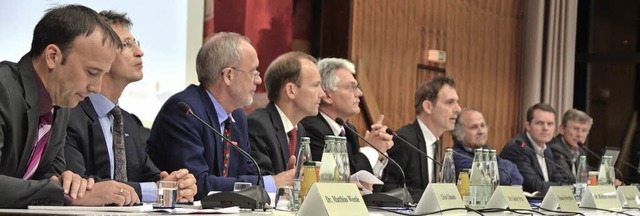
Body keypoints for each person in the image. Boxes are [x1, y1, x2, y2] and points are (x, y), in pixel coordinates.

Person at [0, 4, 139, 208]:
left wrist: (71, 184)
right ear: (53, 57)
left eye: (102, 74)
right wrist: (62, 194)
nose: (96, 87)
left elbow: (48, 178)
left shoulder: (60, 105)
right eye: (92, 73)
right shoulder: (3, 89)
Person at [64, 10, 197, 204]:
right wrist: (156, 190)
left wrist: (176, 185)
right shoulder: (69, 115)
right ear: (102, 53)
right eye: (127, 44)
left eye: (137, 43)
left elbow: (152, 177)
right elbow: (80, 185)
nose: (139, 52)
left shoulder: (128, 122)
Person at [146, 32, 294, 200]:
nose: (258, 81)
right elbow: (197, 185)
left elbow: (249, 173)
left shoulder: (237, 116)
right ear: (228, 75)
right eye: (253, 72)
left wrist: (279, 184)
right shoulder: (185, 111)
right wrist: (273, 184)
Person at [300, 58, 393, 179]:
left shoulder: (349, 130)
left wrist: (378, 154)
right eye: (351, 87)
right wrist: (371, 150)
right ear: (327, 94)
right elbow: (339, 181)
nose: (359, 93)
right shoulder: (311, 128)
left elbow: (368, 188)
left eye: (357, 87)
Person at [383, 76, 461, 202]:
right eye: (449, 102)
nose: (458, 109)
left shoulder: (434, 142)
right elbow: (386, 189)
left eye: (457, 102)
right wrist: (433, 195)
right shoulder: (404, 140)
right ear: (428, 107)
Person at [248, 52, 325, 175]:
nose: (322, 94)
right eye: (315, 85)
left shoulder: (299, 130)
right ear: (291, 90)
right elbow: (261, 184)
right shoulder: (258, 126)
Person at [500, 103, 568, 193]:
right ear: (528, 126)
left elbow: (558, 178)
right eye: (540, 123)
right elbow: (534, 185)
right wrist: (564, 188)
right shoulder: (517, 148)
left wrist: (564, 186)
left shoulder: (546, 148)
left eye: (550, 124)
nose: (545, 128)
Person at [451, 108, 523, 185]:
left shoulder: (486, 151)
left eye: (482, 125)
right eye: (474, 127)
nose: (481, 131)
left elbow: (518, 178)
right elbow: (487, 179)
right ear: (458, 134)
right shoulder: (455, 156)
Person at [547, 109, 590, 180]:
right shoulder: (555, 148)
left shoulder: (580, 151)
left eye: (584, 130)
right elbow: (567, 179)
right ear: (562, 129)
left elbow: (587, 176)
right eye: (575, 129)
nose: (579, 134)